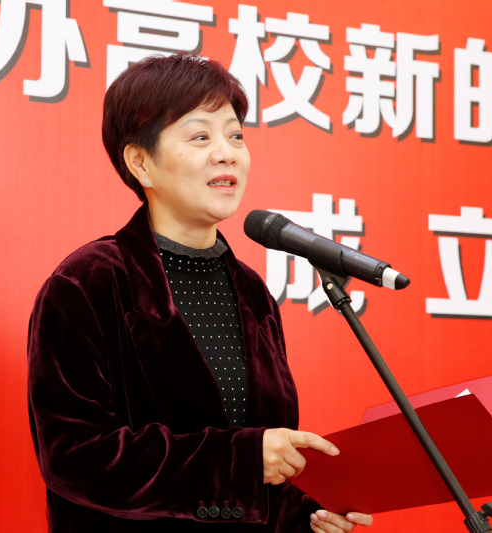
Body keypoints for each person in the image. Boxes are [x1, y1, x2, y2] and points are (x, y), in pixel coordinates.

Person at [27, 54, 373, 533]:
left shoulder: (252, 293)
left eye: (235, 136)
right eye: (200, 137)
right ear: (140, 162)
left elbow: (258, 476)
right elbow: (74, 457)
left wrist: (308, 516)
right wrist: (242, 461)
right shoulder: (88, 282)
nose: (227, 153)